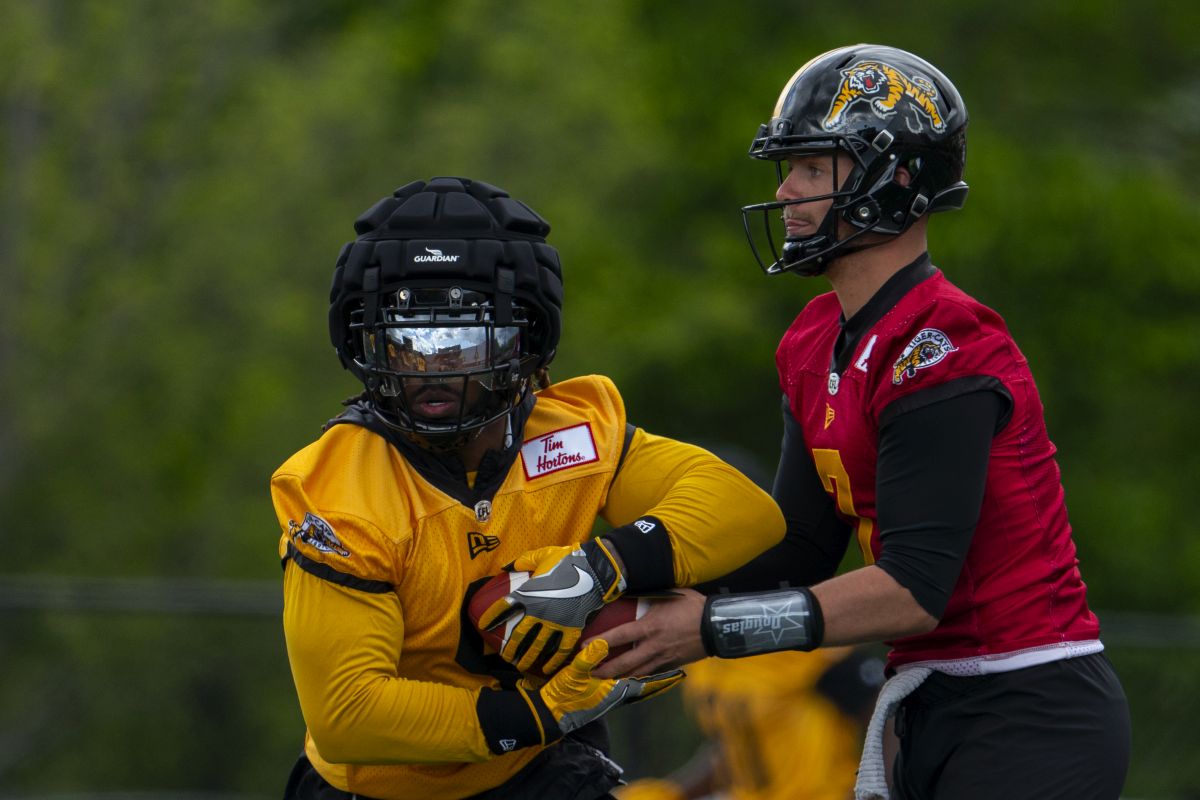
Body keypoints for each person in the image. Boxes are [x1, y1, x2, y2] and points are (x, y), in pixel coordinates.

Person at [594, 44, 1132, 799]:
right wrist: (633, 581)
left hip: (1030, 703)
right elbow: (799, 545)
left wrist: (713, 629)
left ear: (896, 177)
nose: (786, 190)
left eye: (812, 168)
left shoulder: (945, 343)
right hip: (931, 702)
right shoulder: (813, 339)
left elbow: (914, 589)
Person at [270, 176, 785, 800]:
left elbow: (746, 510)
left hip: (537, 771)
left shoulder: (570, 435)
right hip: (382, 788)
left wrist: (600, 568)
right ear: (364, 344)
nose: (433, 368)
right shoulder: (336, 490)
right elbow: (350, 715)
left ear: (526, 343)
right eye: (408, 343)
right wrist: (540, 714)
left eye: (461, 340)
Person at [615, 647, 885, 800]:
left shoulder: (784, 637)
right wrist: (673, 793)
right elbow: (735, 745)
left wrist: (885, 791)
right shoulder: (702, 661)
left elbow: (884, 709)